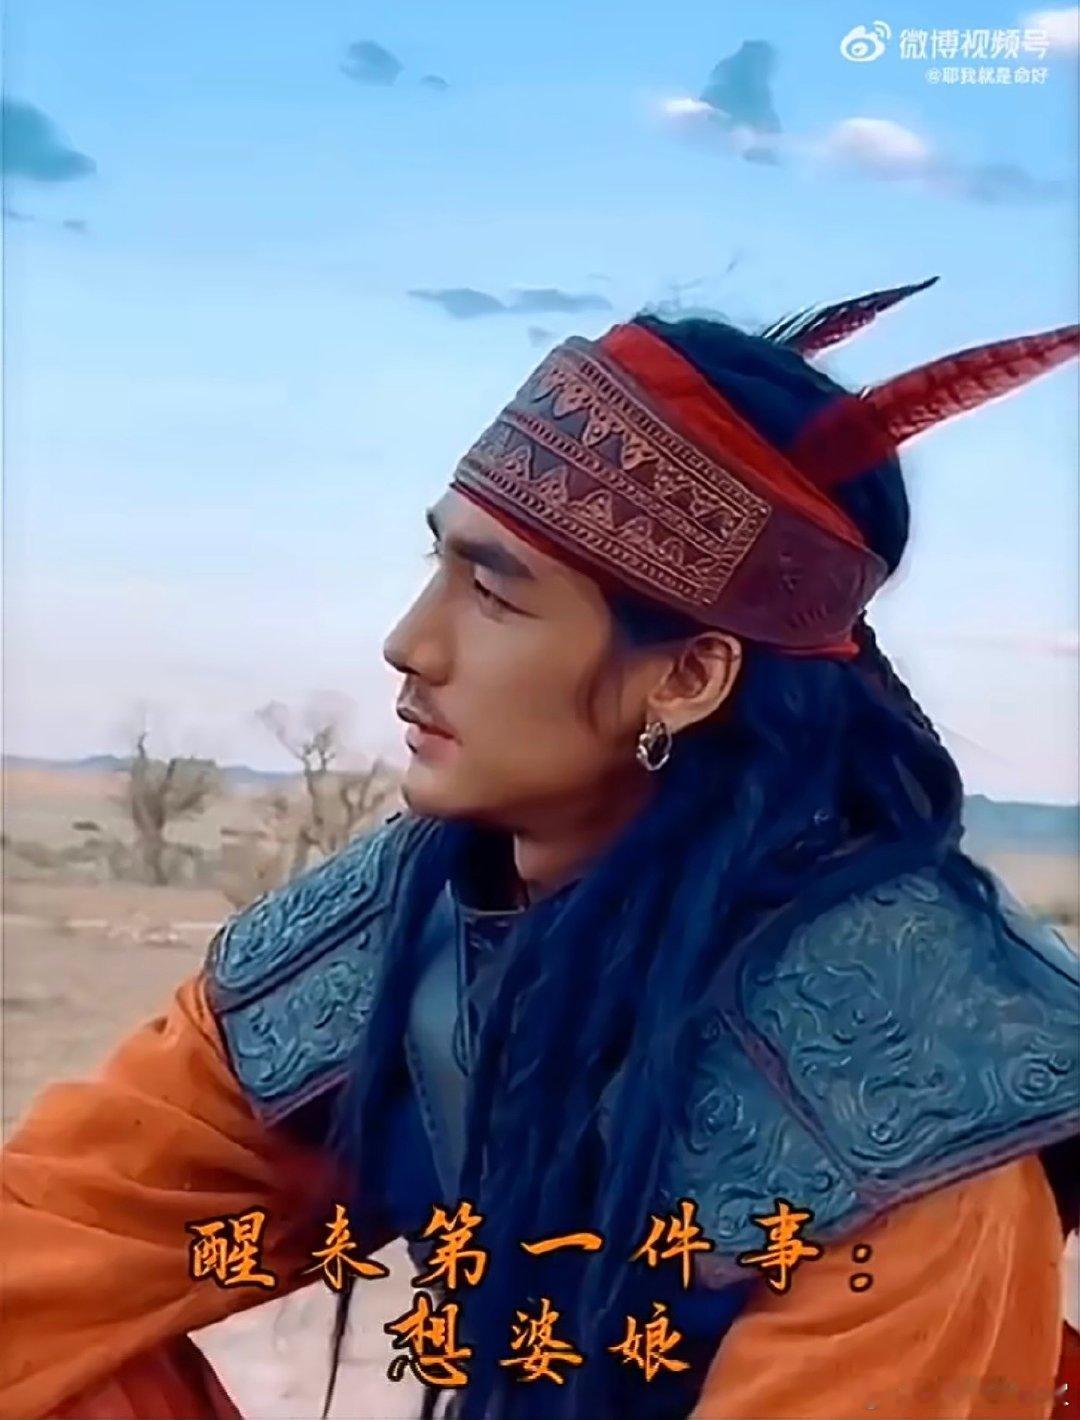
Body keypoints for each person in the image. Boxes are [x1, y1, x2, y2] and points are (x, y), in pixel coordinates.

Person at [2, 283, 1078, 1420]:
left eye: (494, 595)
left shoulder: (916, 1078)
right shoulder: (412, 919)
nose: (409, 642)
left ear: (688, 676)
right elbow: (53, 1235)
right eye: (438, 565)